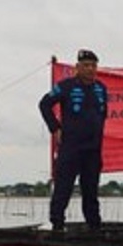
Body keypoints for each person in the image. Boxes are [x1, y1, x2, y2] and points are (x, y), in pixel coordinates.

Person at [39, 49, 108, 232]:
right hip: (71, 148)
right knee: (63, 190)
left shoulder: (101, 88)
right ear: (77, 67)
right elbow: (44, 104)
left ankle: (94, 228)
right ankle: (57, 226)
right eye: (86, 66)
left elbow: (103, 115)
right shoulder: (66, 86)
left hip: (93, 150)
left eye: (93, 66)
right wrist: (55, 128)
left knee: (91, 192)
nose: (90, 69)